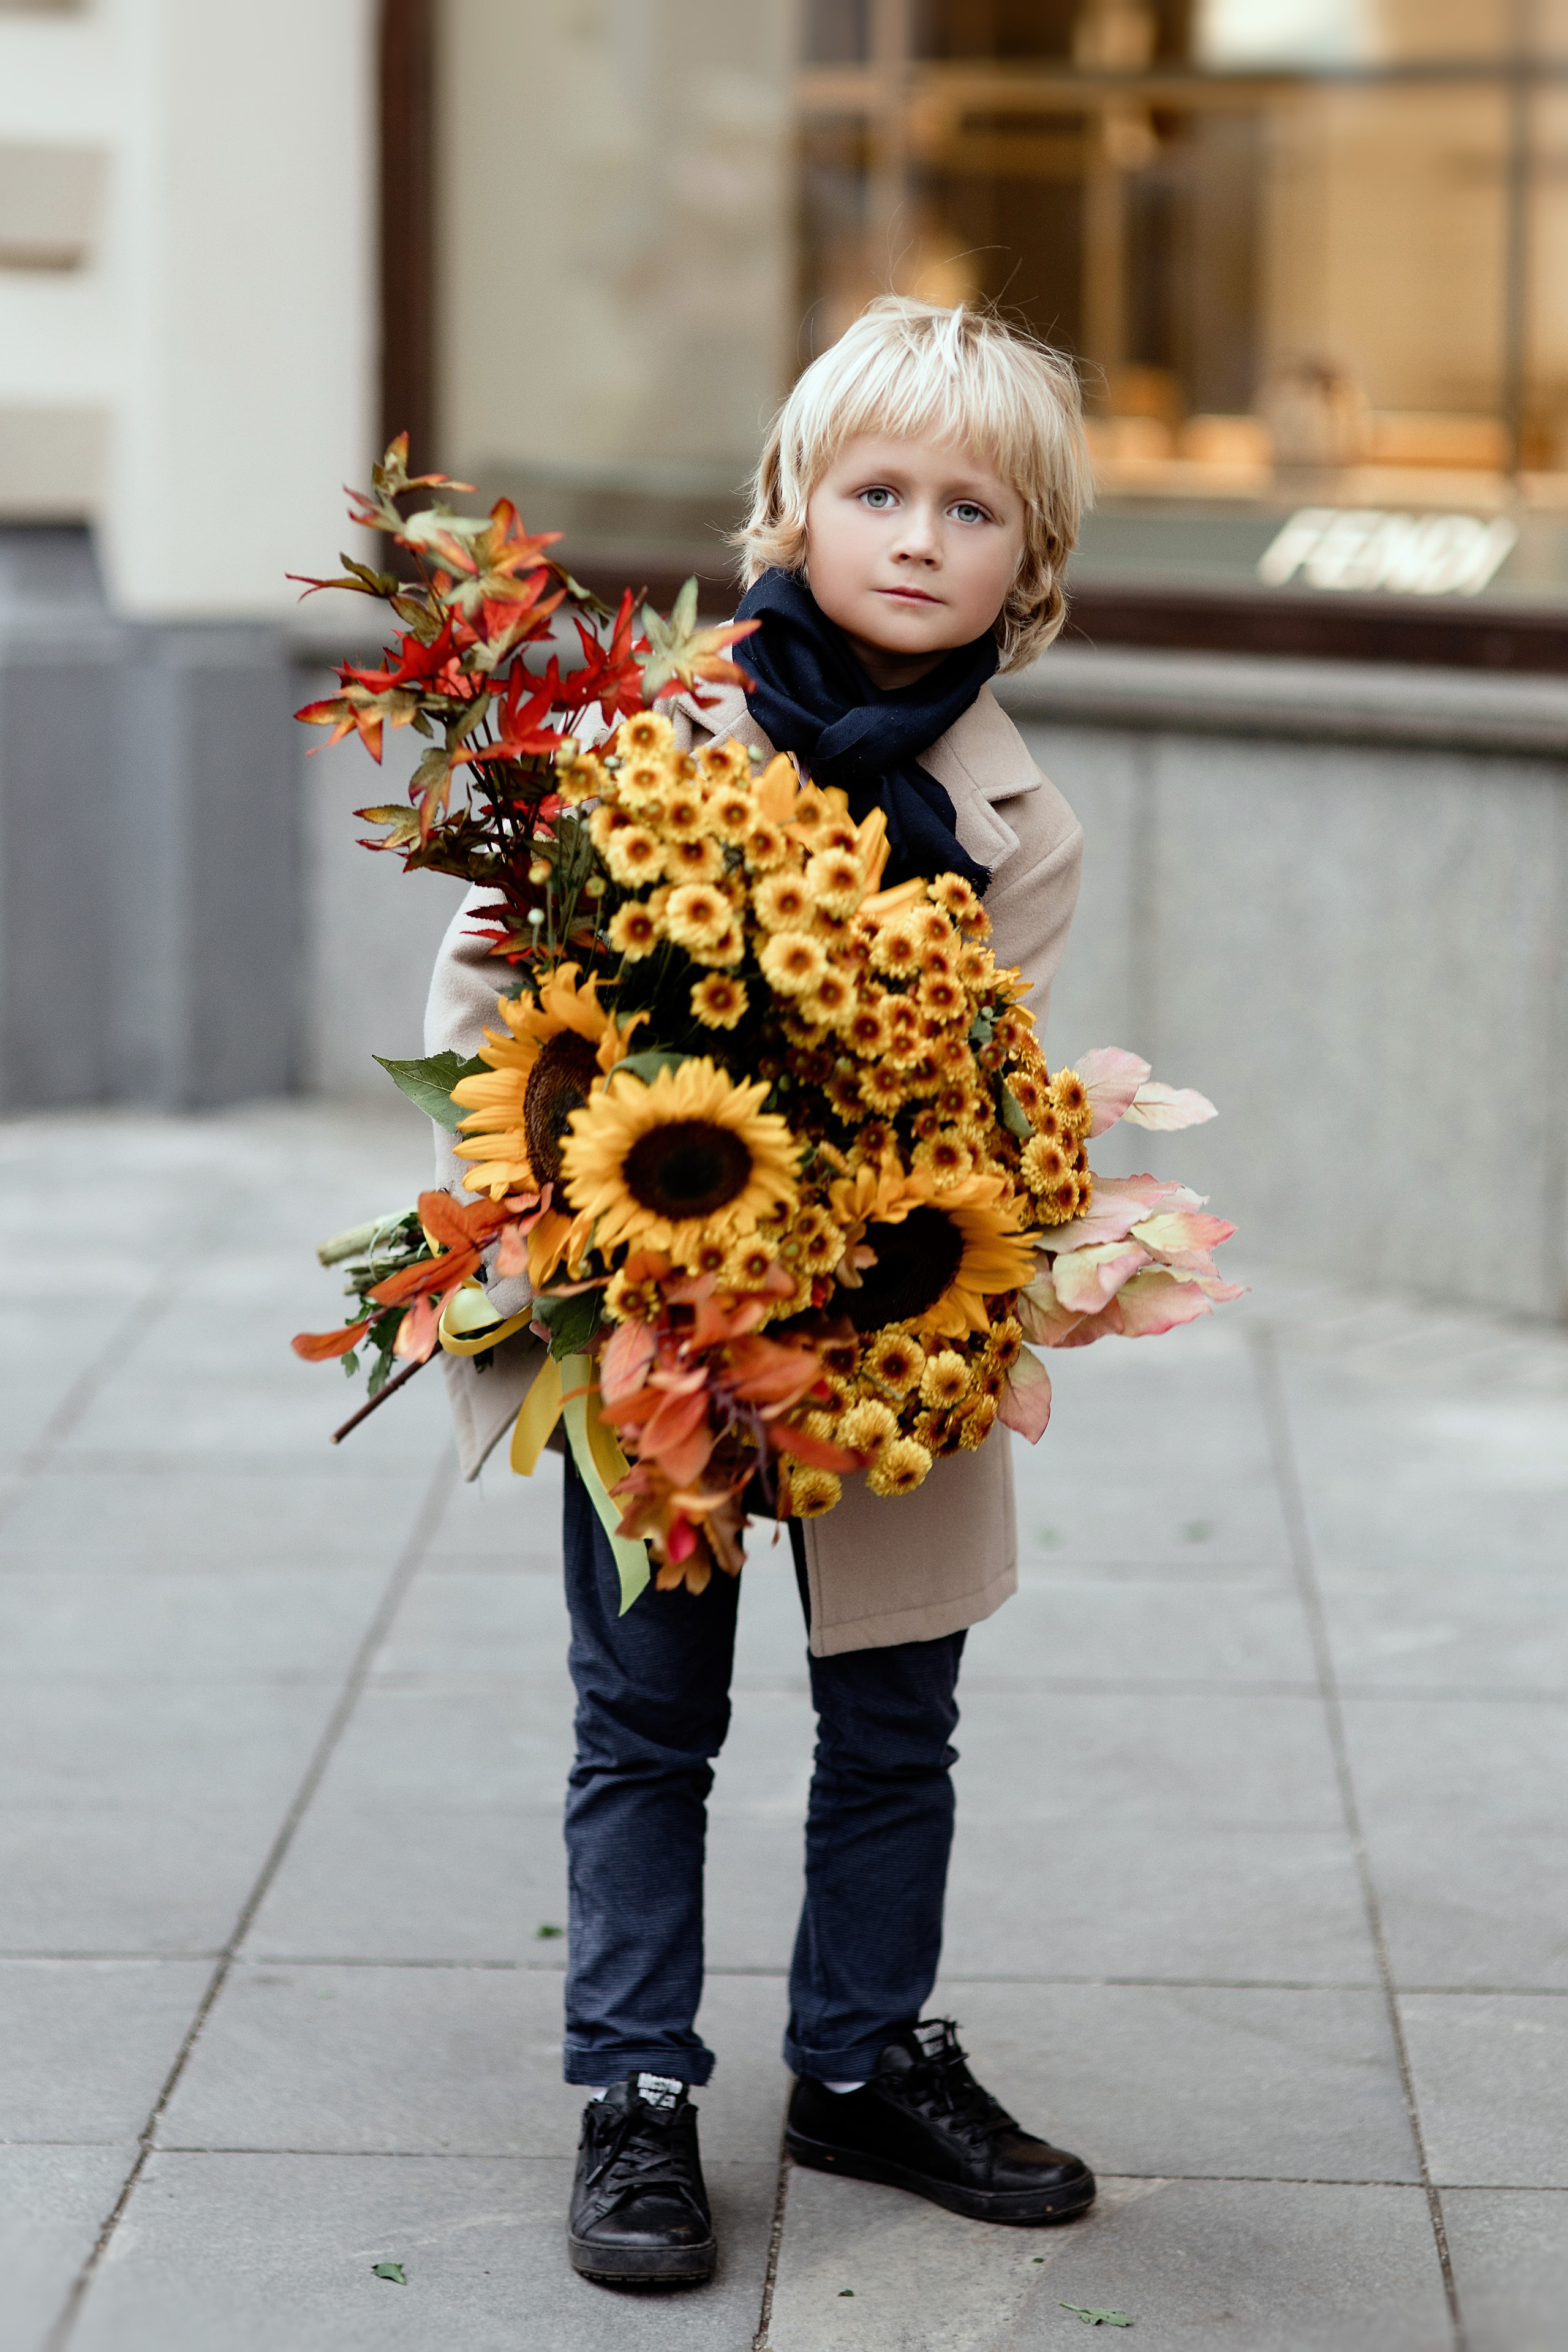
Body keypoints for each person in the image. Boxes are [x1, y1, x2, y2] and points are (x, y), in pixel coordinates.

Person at [424, 296, 1095, 2287]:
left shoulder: (1019, 826)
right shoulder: (651, 743)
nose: (919, 538)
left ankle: (863, 2061)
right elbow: (491, 1016)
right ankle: (634, 2087)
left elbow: (993, 1084)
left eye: (971, 508)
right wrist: (584, 1230)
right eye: (878, 491)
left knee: (898, 1714)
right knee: (646, 1718)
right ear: (792, 507)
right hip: (650, 1322)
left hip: (888, 1331)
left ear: (1029, 560)